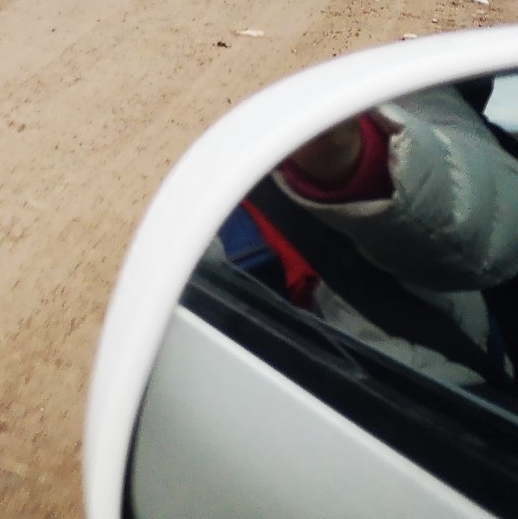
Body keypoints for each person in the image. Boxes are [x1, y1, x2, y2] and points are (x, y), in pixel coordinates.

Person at [215, 77, 518, 397]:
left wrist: (362, 156)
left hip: (453, 389)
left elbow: (497, 226)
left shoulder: (363, 64)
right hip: (324, 408)